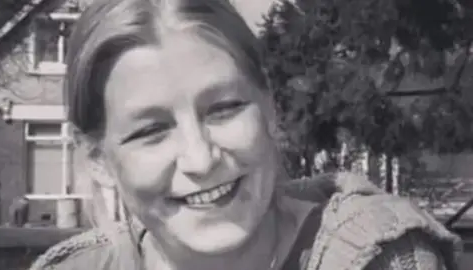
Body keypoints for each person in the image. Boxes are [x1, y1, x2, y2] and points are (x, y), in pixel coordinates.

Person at [30, 0, 462, 269]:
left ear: (269, 104)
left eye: (224, 108)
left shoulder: (377, 259)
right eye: (152, 131)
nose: (201, 159)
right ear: (98, 160)